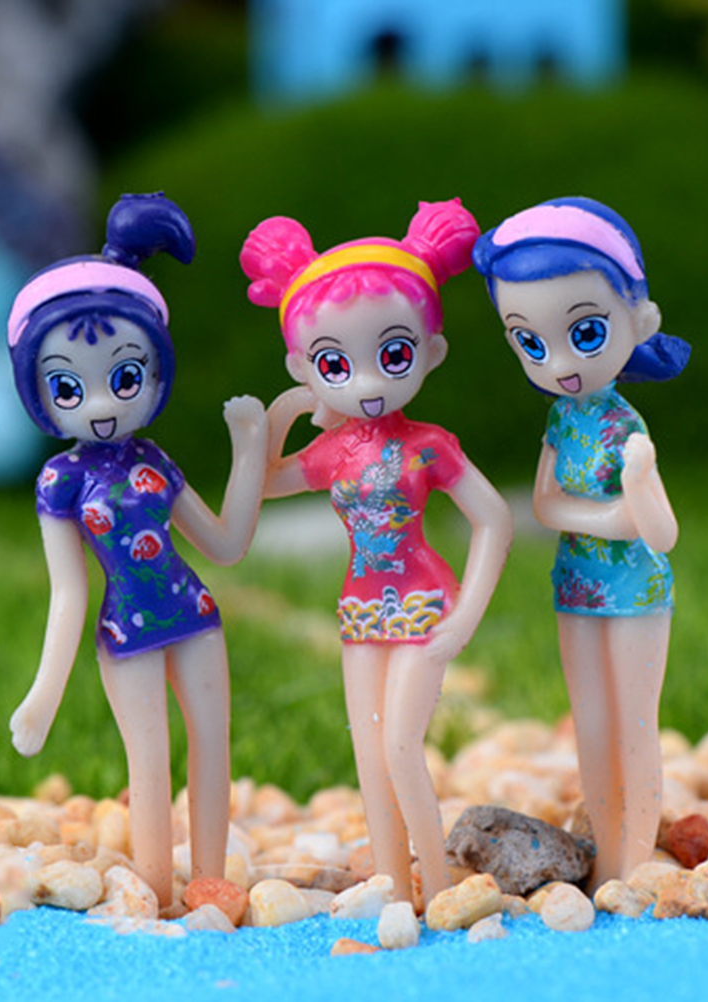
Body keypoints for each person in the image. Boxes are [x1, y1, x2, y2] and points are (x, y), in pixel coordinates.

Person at [241, 199, 513, 905]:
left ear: (431, 351)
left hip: (427, 605)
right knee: (368, 751)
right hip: (361, 610)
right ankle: (395, 882)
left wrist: (465, 617)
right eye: (335, 363)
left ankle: (441, 884)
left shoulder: (430, 446)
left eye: (392, 355)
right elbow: (265, 484)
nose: (366, 382)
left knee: (399, 745)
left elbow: (494, 520)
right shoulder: (335, 451)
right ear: (304, 365)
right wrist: (285, 411)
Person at [7, 193, 267, 906]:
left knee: (211, 749)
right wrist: (44, 693)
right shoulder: (61, 481)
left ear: (156, 372)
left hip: (195, 615)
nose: (100, 405)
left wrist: (249, 451)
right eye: (68, 386)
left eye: (123, 377)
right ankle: (153, 894)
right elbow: (69, 593)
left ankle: (212, 888)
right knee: (149, 762)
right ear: (38, 393)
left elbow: (225, 543)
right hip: (127, 634)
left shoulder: (155, 460)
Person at [473, 196, 689, 886]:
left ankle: (634, 861)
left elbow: (662, 533)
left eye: (586, 333)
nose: (559, 363)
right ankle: (608, 849)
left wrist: (639, 485)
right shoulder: (562, 422)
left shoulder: (628, 428)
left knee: (633, 723)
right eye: (531, 344)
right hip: (575, 585)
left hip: (636, 591)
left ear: (639, 320)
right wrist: (609, 516)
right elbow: (545, 504)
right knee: (592, 723)